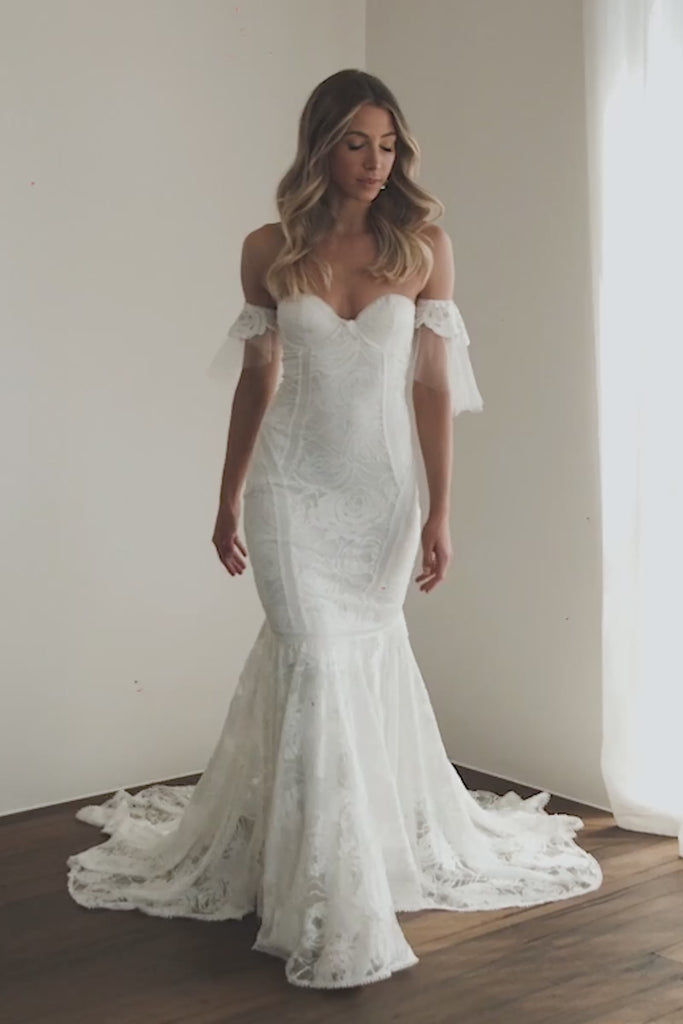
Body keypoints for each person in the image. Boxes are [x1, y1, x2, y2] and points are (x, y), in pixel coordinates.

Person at [67, 69, 602, 990]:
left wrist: (440, 509)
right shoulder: (268, 249)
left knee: (356, 662)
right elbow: (256, 379)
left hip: (380, 496)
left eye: (387, 144)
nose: (373, 161)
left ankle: (345, 857)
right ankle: (323, 897)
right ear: (320, 144)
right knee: (310, 657)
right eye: (356, 142)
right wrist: (227, 494)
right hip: (289, 490)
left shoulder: (422, 247)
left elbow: (434, 389)